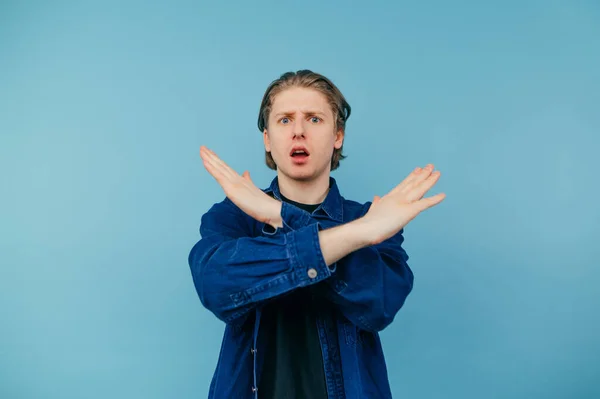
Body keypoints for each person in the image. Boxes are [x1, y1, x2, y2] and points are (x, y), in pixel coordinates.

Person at [188, 70, 446, 399]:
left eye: (314, 119)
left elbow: (379, 305)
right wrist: (356, 236)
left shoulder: (371, 219)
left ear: (337, 135)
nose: (298, 131)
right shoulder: (233, 217)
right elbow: (216, 287)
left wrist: (278, 215)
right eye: (284, 120)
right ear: (267, 139)